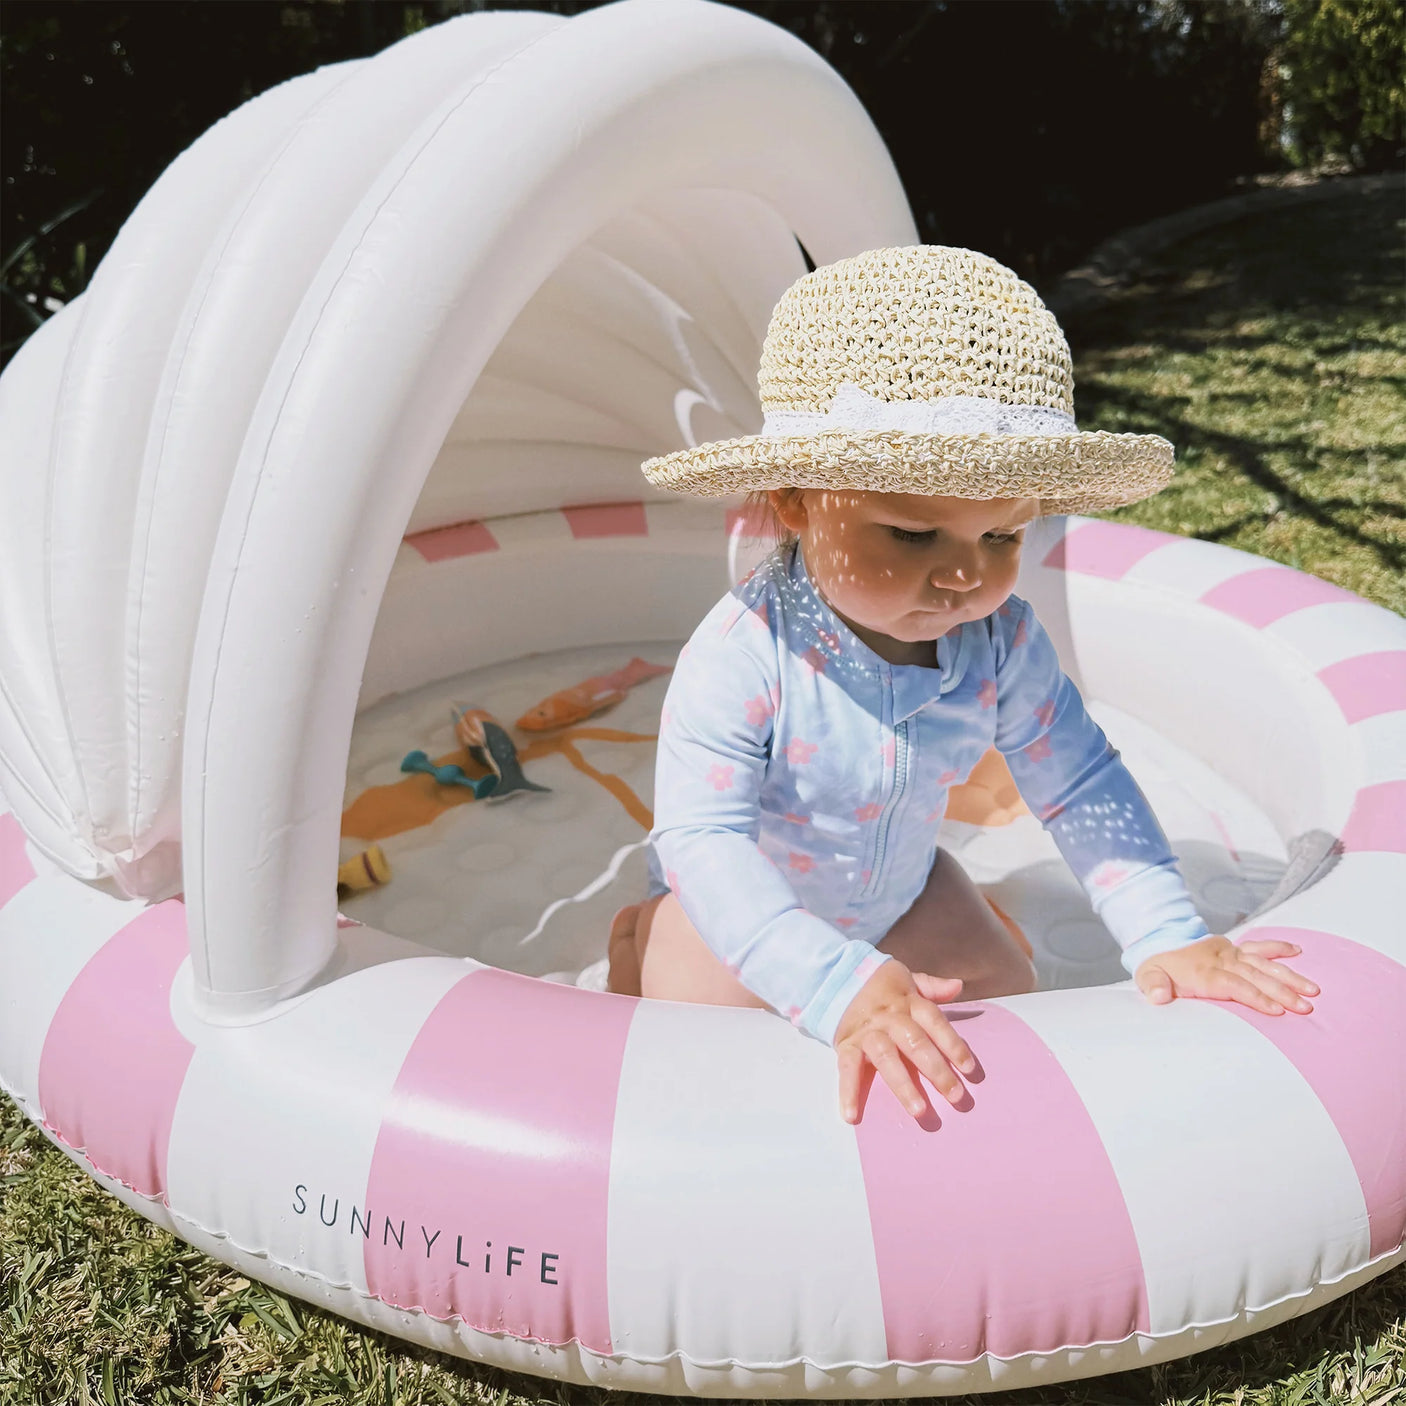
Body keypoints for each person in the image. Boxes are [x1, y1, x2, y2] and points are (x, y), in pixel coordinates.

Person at [606, 245, 1317, 1125]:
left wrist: (1167, 933)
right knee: (694, 1052)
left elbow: (1081, 782)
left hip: (900, 890)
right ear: (793, 499)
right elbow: (704, 843)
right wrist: (832, 983)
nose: (963, 579)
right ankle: (637, 940)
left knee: (1009, 994)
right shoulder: (745, 654)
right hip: (738, 907)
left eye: (1003, 538)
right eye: (912, 536)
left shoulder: (1000, 640)